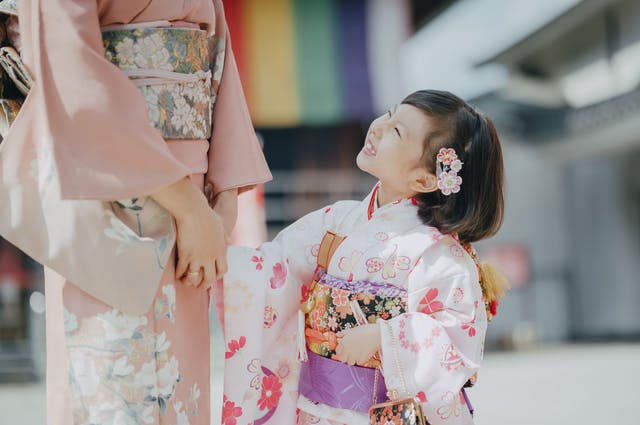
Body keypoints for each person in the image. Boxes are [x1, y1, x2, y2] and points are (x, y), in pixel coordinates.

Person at [1, 0, 270, 424]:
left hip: (196, 208)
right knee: (109, 389)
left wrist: (225, 197)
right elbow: (67, 62)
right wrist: (191, 209)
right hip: (106, 199)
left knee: (183, 391)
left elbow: (217, 60)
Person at [215, 90, 508, 425]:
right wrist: (220, 261)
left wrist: (383, 337)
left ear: (426, 179)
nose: (379, 127)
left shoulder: (439, 256)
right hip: (315, 411)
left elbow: (455, 346)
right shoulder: (336, 222)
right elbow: (273, 268)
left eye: (397, 131)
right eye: (389, 114)